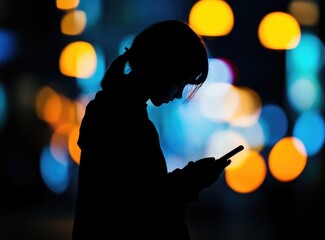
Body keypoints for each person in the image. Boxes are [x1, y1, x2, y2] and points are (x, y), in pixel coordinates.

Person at [71, 20, 231, 240]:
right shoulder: (126, 121)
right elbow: (141, 206)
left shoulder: (110, 110)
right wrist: (191, 180)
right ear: (163, 69)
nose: (177, 95)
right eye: (180, 83)